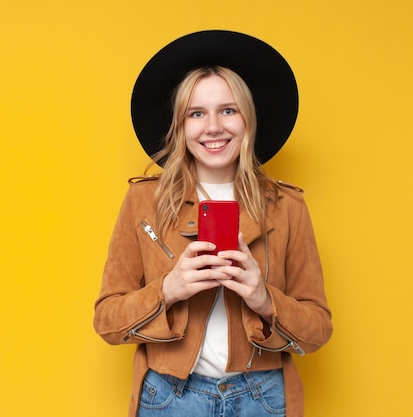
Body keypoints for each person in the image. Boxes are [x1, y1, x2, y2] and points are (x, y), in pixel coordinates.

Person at [94, 30, 333, 417]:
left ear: (247, 119)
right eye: (196, 113)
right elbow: (106, 321)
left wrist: (263, 298)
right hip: (169, 396)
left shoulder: (288, 206)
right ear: (181, 125)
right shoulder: (143, 201)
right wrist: (168, 290)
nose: (213, 127)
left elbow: (318, 329)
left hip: (262, 396)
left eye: (228, 110)